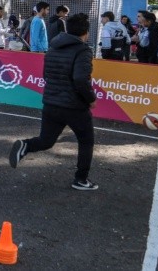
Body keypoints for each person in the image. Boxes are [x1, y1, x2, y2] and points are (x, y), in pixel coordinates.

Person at [9, 13, 98, 191]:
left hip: (51, 102)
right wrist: (91, 99)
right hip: (74, 106)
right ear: (85, 33)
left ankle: (25, 145)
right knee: (86, 141)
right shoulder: (83, 50)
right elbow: (80, 79)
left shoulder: (53, 47)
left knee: (46, 140)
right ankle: (81, 180)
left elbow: (45, 75)